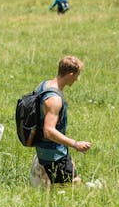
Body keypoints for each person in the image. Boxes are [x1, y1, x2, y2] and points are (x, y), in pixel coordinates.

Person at [34, 55, 91, 184]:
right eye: (77, 75)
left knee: (49, 188)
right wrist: (75, 144)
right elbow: (48, 131)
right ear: (70, 74)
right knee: (74, 186)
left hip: (43, 150)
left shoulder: (43, 85)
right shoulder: (54, 99)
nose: (77, 79)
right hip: (54, 155)